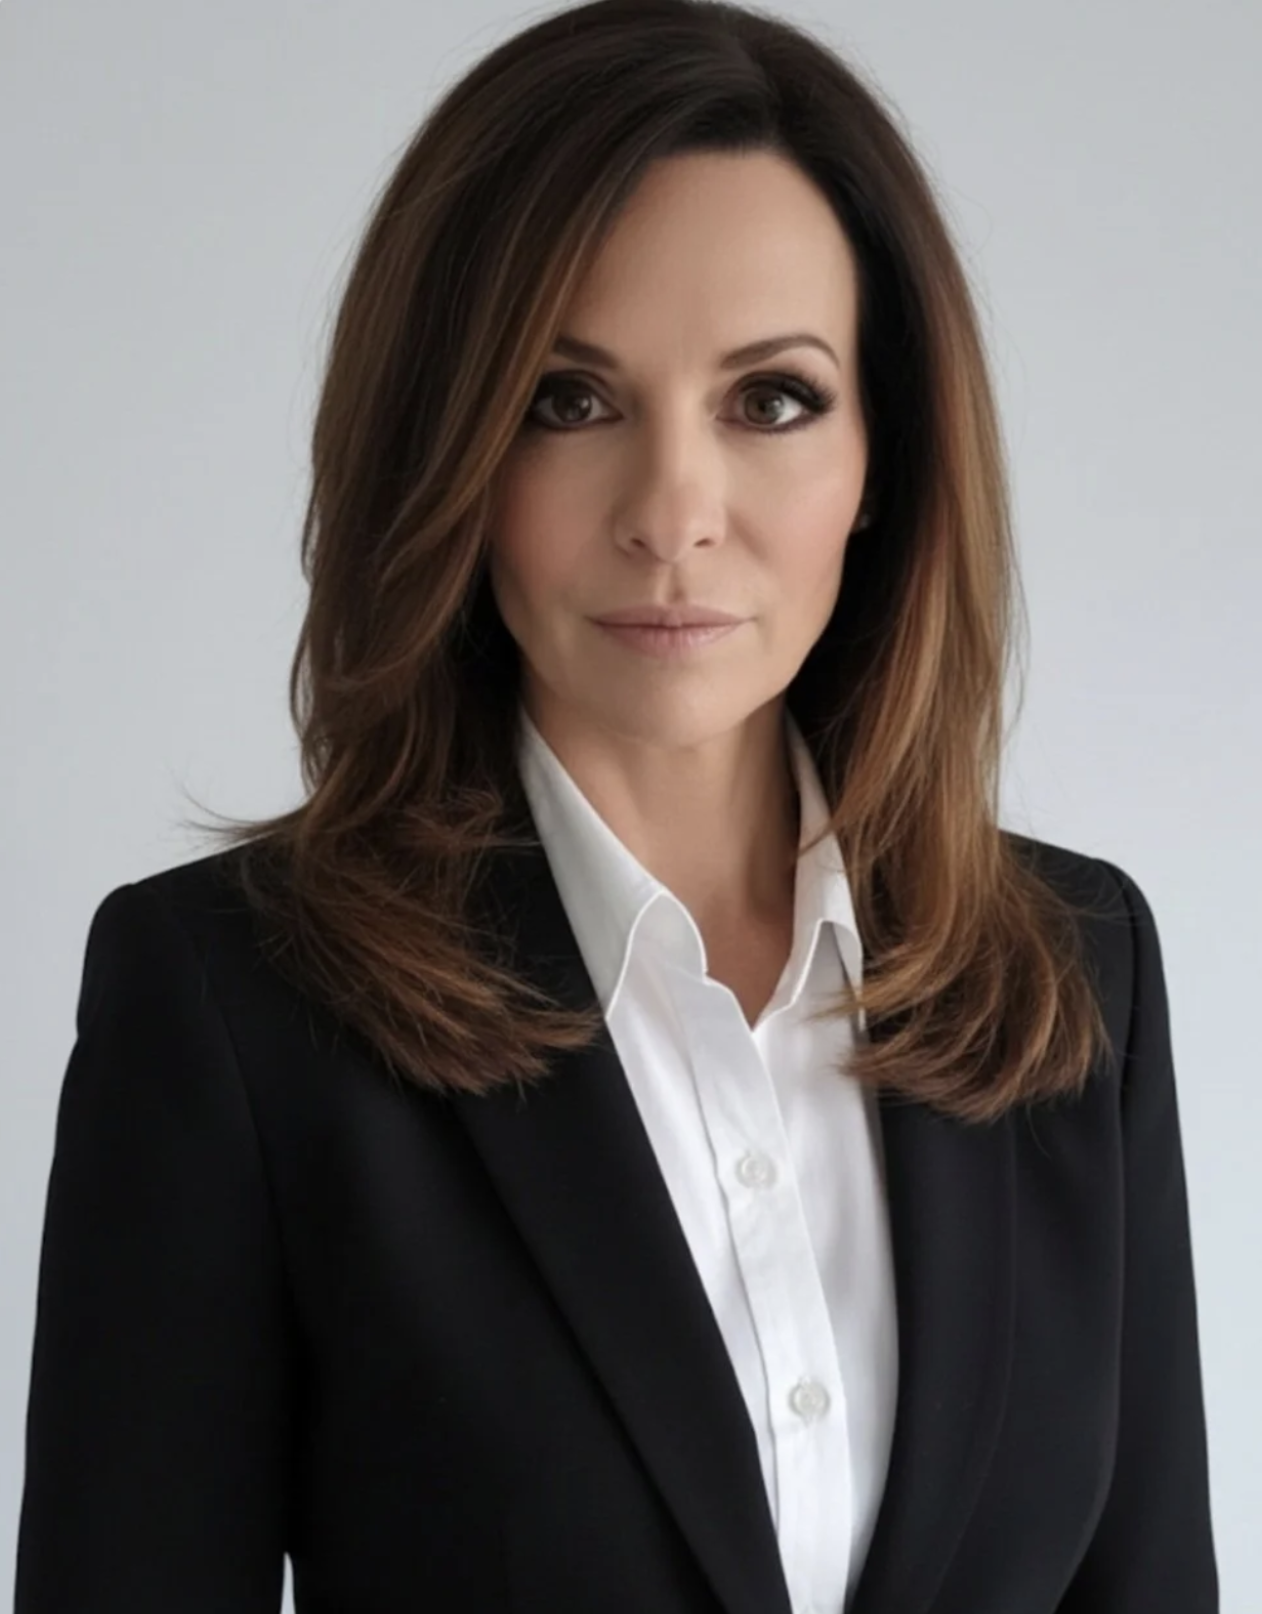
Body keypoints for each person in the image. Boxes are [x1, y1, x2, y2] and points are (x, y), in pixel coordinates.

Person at [14, 1, 1217, 1610]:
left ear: (885, 455)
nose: (671, 515)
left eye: (769, 399)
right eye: (566, 400)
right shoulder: (234, 1005)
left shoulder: (1070, 968)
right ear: (448, 446)